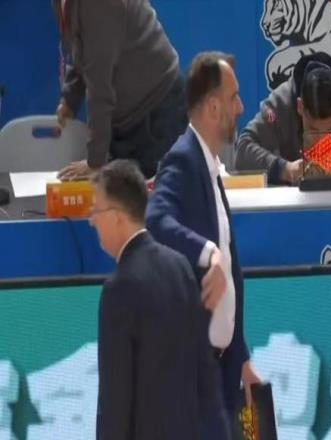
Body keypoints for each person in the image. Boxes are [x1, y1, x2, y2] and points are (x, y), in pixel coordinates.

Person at [146, 51, 260, 437]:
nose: (241, 107)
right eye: (234, 98)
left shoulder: (208, 167)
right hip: (192, 379)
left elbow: (231, 277)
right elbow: (156, 220)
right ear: (213, 107)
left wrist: (240, 357)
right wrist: (207, 253)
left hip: (223, 372)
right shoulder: (182, 160)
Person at [90, 160, 222, 439]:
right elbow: (204, 369)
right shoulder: (180, 266)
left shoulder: (118, 289)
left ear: (116, 217)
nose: (92, 221)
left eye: (95, 211)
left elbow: (115, 400)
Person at [52, 0, 187, 180]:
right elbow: (85, 48)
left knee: (144, 194)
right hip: (133, 114)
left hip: (157, 111)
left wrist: (96, 162)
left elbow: (100, 88)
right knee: (122, 191)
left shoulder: (99, 5)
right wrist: (70, 98)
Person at [235, 51, 331, 184]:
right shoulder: (277, 109)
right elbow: (243, 148)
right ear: (300, 107)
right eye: (313, 130)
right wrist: (283, 169)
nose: (321, 142)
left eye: (330, 130)